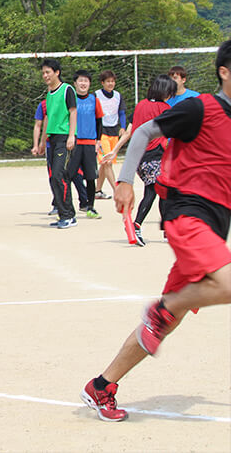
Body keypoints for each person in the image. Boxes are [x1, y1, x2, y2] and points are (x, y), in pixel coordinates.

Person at [81, 40, 231, 422]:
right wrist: (126, 181)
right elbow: (146, 132)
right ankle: (164, 309)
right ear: (224, 72)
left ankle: (102, 385)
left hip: (215, 224)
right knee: (220, 288)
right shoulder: (200, 108)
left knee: (164, 324)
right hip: (186, 214)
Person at [106, 75, 177, 245]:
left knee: (162, 192)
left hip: (139, 157)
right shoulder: (164, 108)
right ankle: (136, 224)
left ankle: (167, 230)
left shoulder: (140, 105)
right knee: (152, 191)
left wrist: (116, 150)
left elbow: (131, 131)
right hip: (154, 156)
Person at [40, 58, 78, 229]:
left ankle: (68, 215)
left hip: (64, 137)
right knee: (53, 178)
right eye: (43, 73)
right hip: (52, 139)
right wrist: (42, 141)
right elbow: (47, 118)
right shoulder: (49, 93)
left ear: (57, 72)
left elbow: (73, 112)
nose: (45, 75)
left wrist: (72, 135)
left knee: (59, 175)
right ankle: (65, 214)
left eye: (48, 72)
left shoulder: (67, 89)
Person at [72, 70, 104, 220]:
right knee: (68, 174)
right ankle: (65, 207)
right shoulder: (71, 99)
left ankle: (90, 207)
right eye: (80, 80)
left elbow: (99, 121)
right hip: (74, 142)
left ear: (89, 84)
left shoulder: (94, 100)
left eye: (86, 81)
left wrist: (98, 140)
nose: (83, 83)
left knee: (91, 177)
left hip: (90, 143)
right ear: (75, 83)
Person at [94, 70, 127, 201]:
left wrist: (123, 127)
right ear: (103, 83)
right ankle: (116, 190)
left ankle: (97, 191)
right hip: (101, 132)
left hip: (114, 131)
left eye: (112, 81)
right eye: (108, 81)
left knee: (105, 163)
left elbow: (122, 112)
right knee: (107, 162)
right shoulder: (96, 95)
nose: (111, 83)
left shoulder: (118, 96)